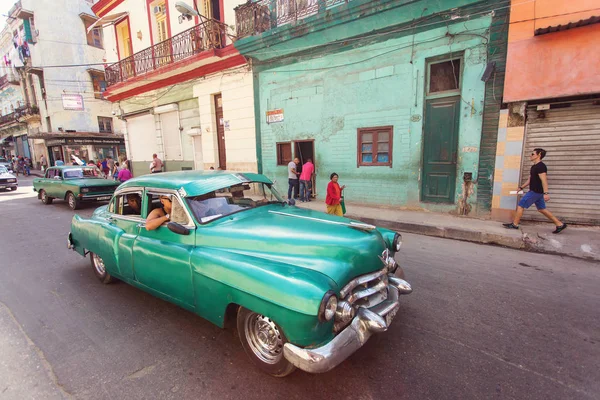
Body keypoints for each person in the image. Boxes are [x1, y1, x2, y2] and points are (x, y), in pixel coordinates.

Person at [503, 148, 567, 234]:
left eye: (532, 154)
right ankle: (559, 224)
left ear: (539, 155)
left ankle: (515, 224)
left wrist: (546, 193)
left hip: (535, 192)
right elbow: (530, 179)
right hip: (537, 192)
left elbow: (544, 180)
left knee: (521, 205)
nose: (530, 155)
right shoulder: (534, 167)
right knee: (542, 209)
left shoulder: (541, 166)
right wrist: (521, 187)